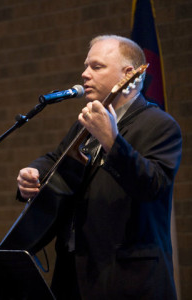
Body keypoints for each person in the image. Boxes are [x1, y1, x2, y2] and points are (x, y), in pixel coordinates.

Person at [17, 35, 182, 300]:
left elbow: (154, 186)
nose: (84, 74)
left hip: (126, 278)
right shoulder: (87, 123)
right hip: (74, 275)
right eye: (85, 66)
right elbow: (55, 158)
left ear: (128, 74)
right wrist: (33, 172)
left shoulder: (160, 125)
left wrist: (112, 142)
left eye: (96, 67)